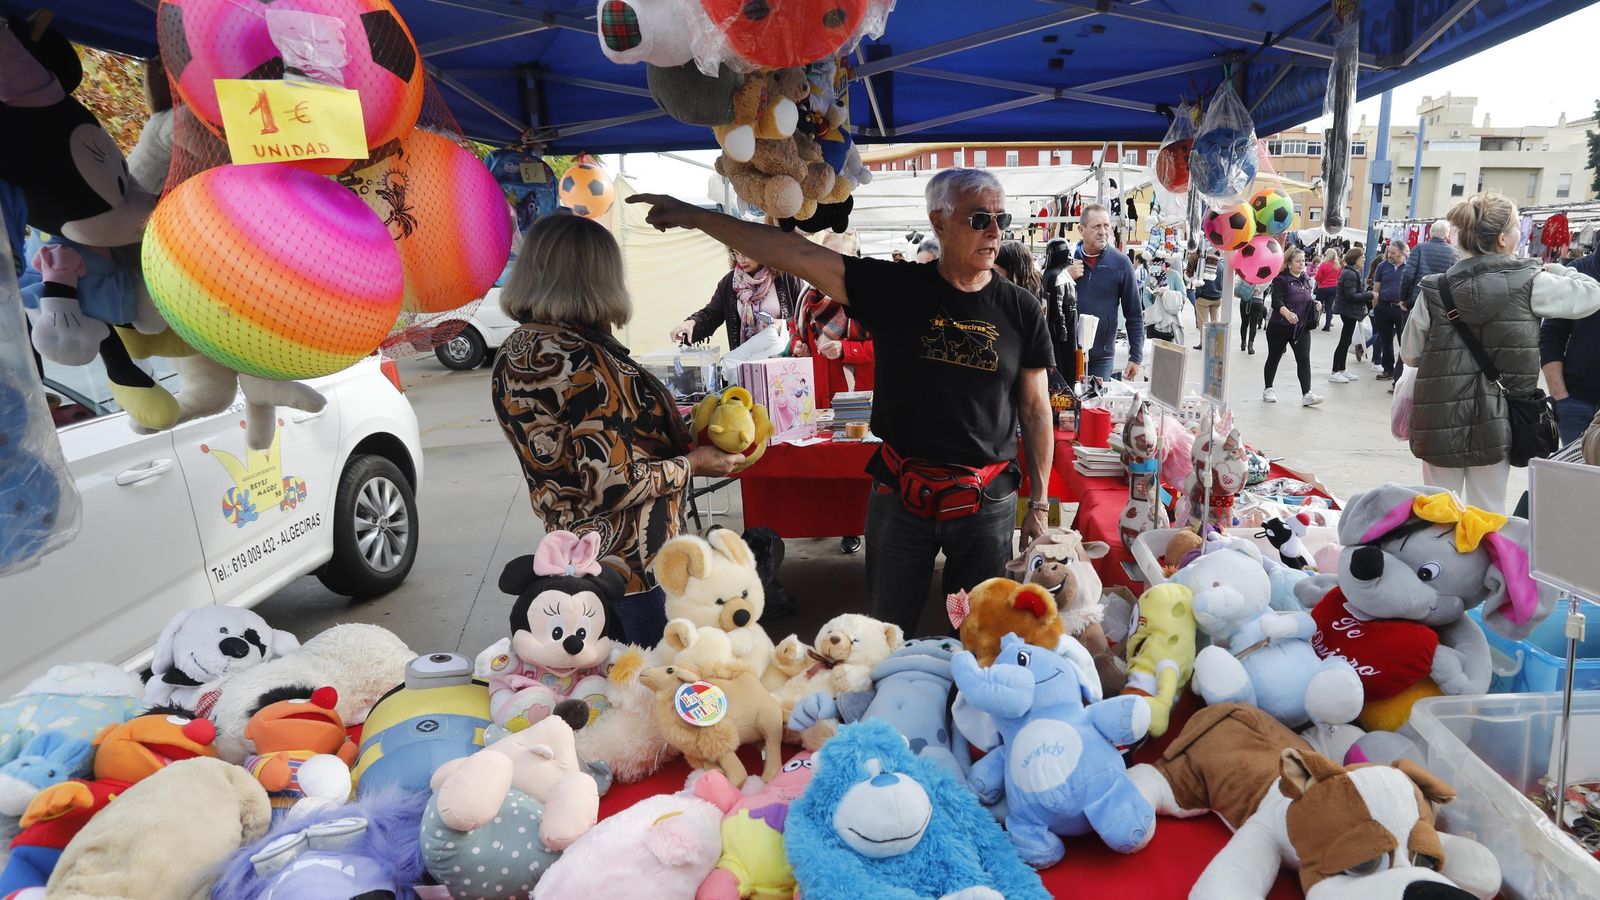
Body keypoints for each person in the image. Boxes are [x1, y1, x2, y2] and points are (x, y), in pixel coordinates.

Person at [627, 169, 1055, 638]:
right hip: (901, 495)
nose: (994, 231)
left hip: (985, 500)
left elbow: (1035, 412)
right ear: (939, 220)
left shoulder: (1021, 308)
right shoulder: (895, 287)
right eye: (979, 218)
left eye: (1001, 218)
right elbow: (795, 253)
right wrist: (695, 216)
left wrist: (1039, 502)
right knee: (885, 632)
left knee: (981, 633)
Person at [491, 215, 746, 647]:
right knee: (650, 687)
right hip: (631, 568)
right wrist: (693, 463)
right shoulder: (583, 363)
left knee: (597, 690)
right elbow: (612, 483)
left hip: (569, 555)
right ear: (596, 277)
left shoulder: (516, 351)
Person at [1402, 191, 1600, 512]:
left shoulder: (1434, 289)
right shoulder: (1534, 282)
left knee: (1437, 510)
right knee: (1487, 510)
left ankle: (1434, 562)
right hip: (1501, 419)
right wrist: (1560, 269)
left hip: (1437, 415)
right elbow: (1593, 294)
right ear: (1504, 241)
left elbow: (1411, 355)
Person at [793, 230, 875, 556]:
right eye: (829, 259)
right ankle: (829, 523)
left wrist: (846, 349)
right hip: (817, 393)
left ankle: (854, 528)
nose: (833, 267)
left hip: (857, 396)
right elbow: (795, 332)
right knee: (824, 469)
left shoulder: (868, 298)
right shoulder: (806, 298)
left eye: (842, 259)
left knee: (856, 469)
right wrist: (797, 345)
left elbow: (883, 346)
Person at [668, 247, 803, 349]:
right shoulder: (729, 283)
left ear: (761, 248)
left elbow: (804, 317)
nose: (741, 259)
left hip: (785, 360)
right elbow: (711, 314)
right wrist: (691, 323)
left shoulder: (786, 277)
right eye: (735, 253)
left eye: (746, 252)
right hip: (746, 363)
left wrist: (783, 325)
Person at [1068, 202, 1143, 380]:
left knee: (1097, 406)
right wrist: (1064, 277)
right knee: (1067, 406)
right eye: (1096, 226)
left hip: (1102, 357)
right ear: (1081, 229)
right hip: (1067, 354)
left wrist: (1136, 356)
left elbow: (1134, 314)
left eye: (1106, 225)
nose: (1103, 231)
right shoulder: (1067, 261)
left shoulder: (1121, 263)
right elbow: (1045, 302)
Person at [1542, 242, 1600, 445]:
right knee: (1576, 475)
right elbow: (1551, 333)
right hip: (1577, 403)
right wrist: (1560, 395)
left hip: (1574, 401)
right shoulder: (1577, 271)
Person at [1262, 247, 1324, 407]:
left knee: (1304, 360)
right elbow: (1277, 301)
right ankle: (1268, 388)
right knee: (1274, 358)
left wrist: (1315, 303)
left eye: (1303, 261)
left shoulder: (1305, 278)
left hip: (1301, 328)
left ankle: (1307, 394)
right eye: (1298, 261)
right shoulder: (1281, 280)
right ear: (1289, 263)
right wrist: (1286, 313)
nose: (1302, 264)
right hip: (1279, 327)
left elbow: (1306, 299)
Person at [1328, 247, 1374, 383]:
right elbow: (1351, 295)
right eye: (1362, 257)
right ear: (1355, 259)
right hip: (1348, 310)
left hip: (1349, 310)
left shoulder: (1352, 272)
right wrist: (1370, 294)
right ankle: (1335, 371)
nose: (1364, 259)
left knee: (1346, 341)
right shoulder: (1350, 273)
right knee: (1344, 341)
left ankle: (1341, 369)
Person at [1040, 239, 1079, 382]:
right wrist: (1063, 333)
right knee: (1065, 369)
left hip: (1055, 331)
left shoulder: (1047, 274)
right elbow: (1058, 308)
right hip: (1062, 333)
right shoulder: (1057, 276)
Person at [1370, 242, 1408, 381]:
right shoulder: (1382, 266)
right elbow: (1376, 288)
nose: (1389, 255)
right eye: (1389, 252)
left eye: (1393, 252)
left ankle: (1401, 373)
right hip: (1383, 307)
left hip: (1401, 309)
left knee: (1402, 341)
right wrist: (1376, 307)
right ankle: (1388, 369)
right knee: (1385, 340)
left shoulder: (1409, 266)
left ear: (1402, 253)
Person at [1191, 250, 1224, 343]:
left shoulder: (1204, 265)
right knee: (1215, 321)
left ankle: (1204, 343)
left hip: (1204, 297)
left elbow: (1198, 281)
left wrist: (1198, 294)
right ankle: (1214, 342)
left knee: (1203, 323)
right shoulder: (1221, 266)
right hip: (1217, 297)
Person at [1235, 273, 1263, 354]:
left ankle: (1243, 343)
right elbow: (1268, 280)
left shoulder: (1246, 267)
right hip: (1257, 298)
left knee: (1244, 322)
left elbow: (1238, 279)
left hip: (1245, 296)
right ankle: (1250, 346)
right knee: (1253, 324)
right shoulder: (1264, 267)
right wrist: (1259, 289)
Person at [1314, 247, 1341, 331]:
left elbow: (1317, 277)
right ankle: (1327, 325)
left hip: (1323, 287)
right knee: (1329, 307)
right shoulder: (1338, 266)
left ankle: (1315, 321)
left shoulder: (1323, 264)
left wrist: (1320, 281)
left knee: (1318, 305)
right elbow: (1339, 277)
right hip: (1334, 287)